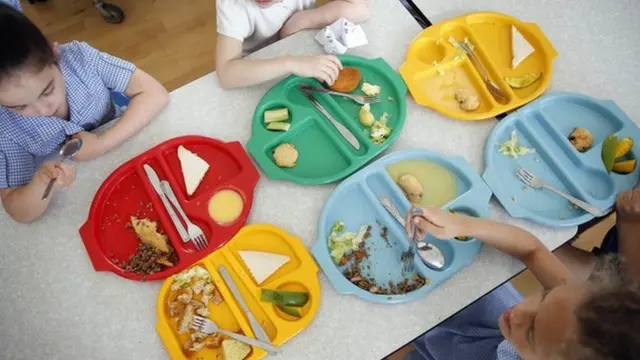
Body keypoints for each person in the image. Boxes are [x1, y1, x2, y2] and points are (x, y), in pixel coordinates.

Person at [0, 2, 169, 223]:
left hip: (129, 143)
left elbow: (155, 93)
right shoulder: (5, 128)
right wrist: (40, 183)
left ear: (55, 54)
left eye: (48, 90)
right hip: (85, 194)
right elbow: (18, 210)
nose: (44, 109)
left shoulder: (80, 57)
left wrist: (101, 142)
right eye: (19, 107)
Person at [403, 207, 639, 360]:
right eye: (546, 295)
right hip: (484, 324)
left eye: (532, 331)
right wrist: (462, 225)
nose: (519, 313)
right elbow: (532, 249)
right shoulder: (572, 309)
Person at [215, 0, 370, 89]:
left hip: (301, 45)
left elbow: (360, 9)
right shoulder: (233, 4)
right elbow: (226, 75)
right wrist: (290, 62)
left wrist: (303, 19)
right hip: (257, 68)